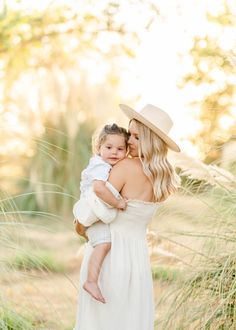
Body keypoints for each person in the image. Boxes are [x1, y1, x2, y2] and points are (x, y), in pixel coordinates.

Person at [74, 104, 181, 330]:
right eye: (129, 134)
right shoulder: (163, 179)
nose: (129, 141)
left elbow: (92, 212)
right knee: (131, 319)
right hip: (137, 260)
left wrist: (79, 226)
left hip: (110, 257)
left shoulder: (124, 167)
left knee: (102, 321)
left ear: (152, 141)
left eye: (136, 137)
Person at [73, 123, 129, 304]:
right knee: (104, 244)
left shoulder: (104, 165)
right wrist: (118, 202)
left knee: (103, 243)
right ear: (98, 148)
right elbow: (99, 189)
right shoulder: (100, 166)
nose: (114, 152)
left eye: (120, 149)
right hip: (93, 212)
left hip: (95, 213)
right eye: (109, 147)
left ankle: (93, 279)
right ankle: (91, 281)